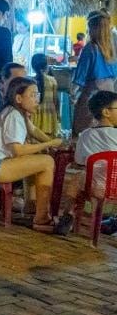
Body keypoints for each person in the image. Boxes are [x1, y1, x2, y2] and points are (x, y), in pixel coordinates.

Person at [0, 77, 61, 232]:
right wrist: (50, 144)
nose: (36, 99)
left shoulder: (13, 110)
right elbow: (17, 151)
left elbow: (33, 131)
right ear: (19, 98)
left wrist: (54, 142)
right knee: (46, 162)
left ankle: (31, 206)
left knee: (37, 158)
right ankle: (42, 218)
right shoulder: (14, 116)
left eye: (37, 95)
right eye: (32, 95)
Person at [55, 90, 117, 235]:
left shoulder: (85, 135)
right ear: (106, 112)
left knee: (78, 179)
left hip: (95, 189)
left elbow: (79, 161)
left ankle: (68, 214)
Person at [72, 11, 117, 135]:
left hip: (92, 94)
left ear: (92, 27)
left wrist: (73, 95)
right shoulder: (112, 50)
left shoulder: (90, 48)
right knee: (106, 132)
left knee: (85, 132)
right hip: (110, 95)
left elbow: (80, 78)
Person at [31, 53, 60, 137]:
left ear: (33, 67)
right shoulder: (52, 80)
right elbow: (56, 100)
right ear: (46, 66)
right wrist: (58, 115)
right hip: (50, 115)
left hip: (35, 115)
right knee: (49, 143)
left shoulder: (31, 82)